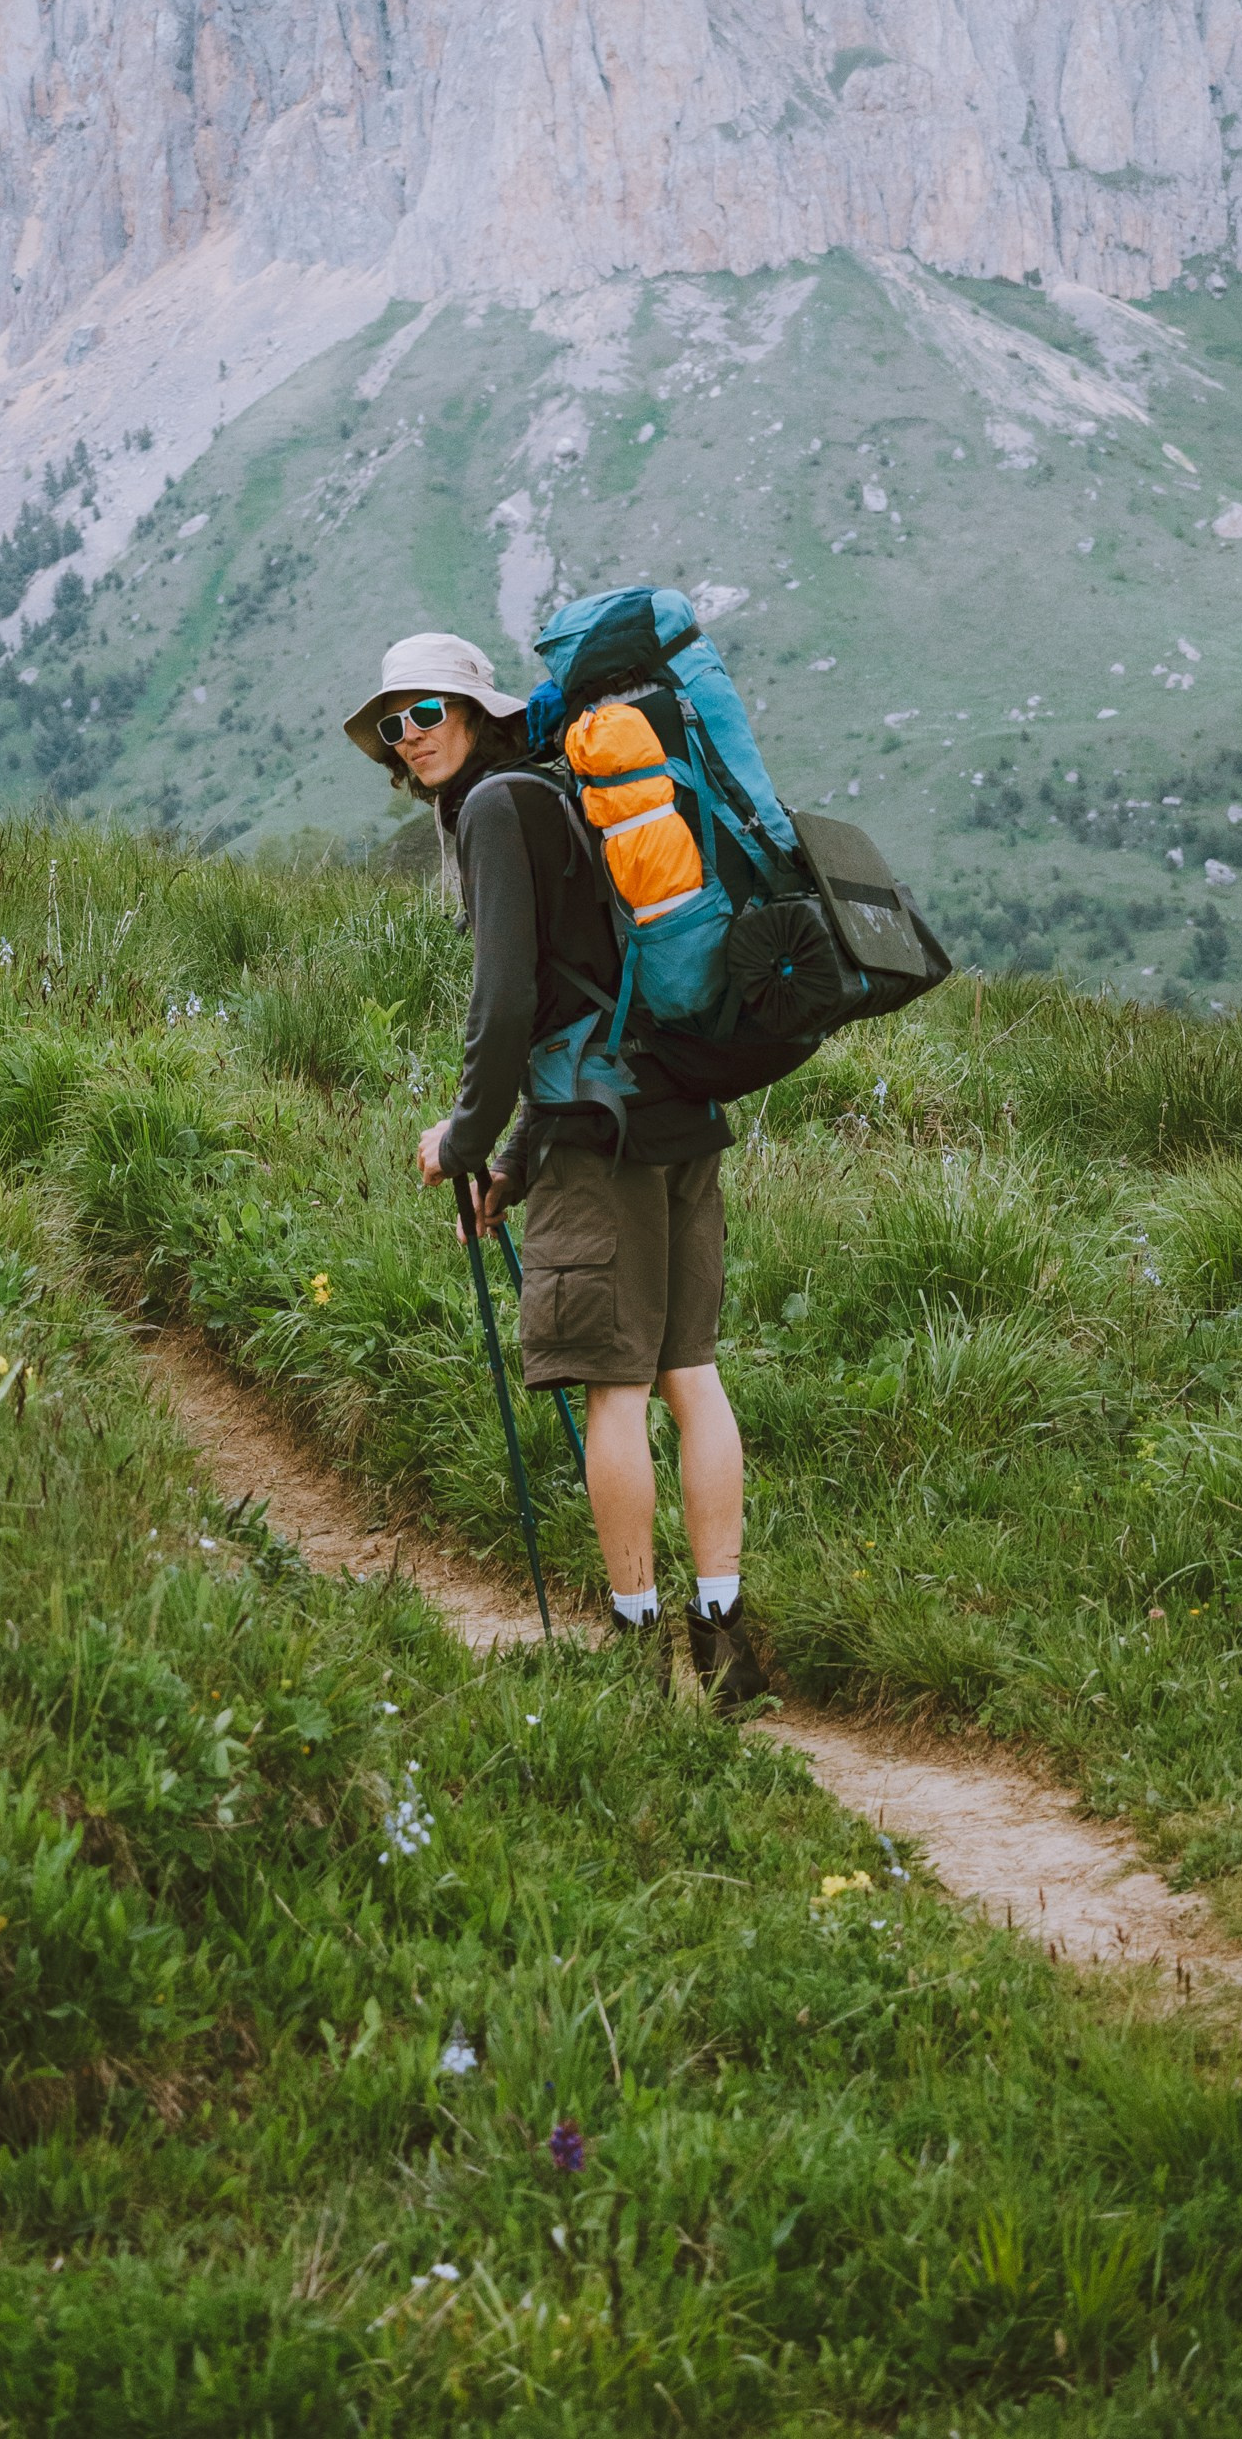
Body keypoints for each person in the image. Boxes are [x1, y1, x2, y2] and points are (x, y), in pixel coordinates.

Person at [344, 629, 773, 1705]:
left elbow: (509, 1004)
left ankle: (635, 1651)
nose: (409, 737)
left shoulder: (496, 809)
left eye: (427, 711)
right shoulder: (567, 793)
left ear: (478, 711)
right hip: (675, 1106)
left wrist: (467, 1137)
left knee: (615, 1393)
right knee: (693, 1375)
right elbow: (596, 992)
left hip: (602, 1137)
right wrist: (517, 1165)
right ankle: (724, 1639)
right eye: (395, 723)